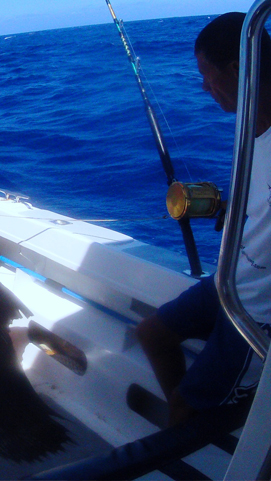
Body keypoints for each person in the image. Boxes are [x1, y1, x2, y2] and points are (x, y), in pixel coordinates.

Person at [136, 12, 271, 426]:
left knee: (184, 408)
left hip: (257, 309)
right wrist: (232, 209)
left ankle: (199, 424)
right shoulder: (252, 127)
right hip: (228, 281)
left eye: (206, 75)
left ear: (237, 68)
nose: (203, 87)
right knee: (151, 334)